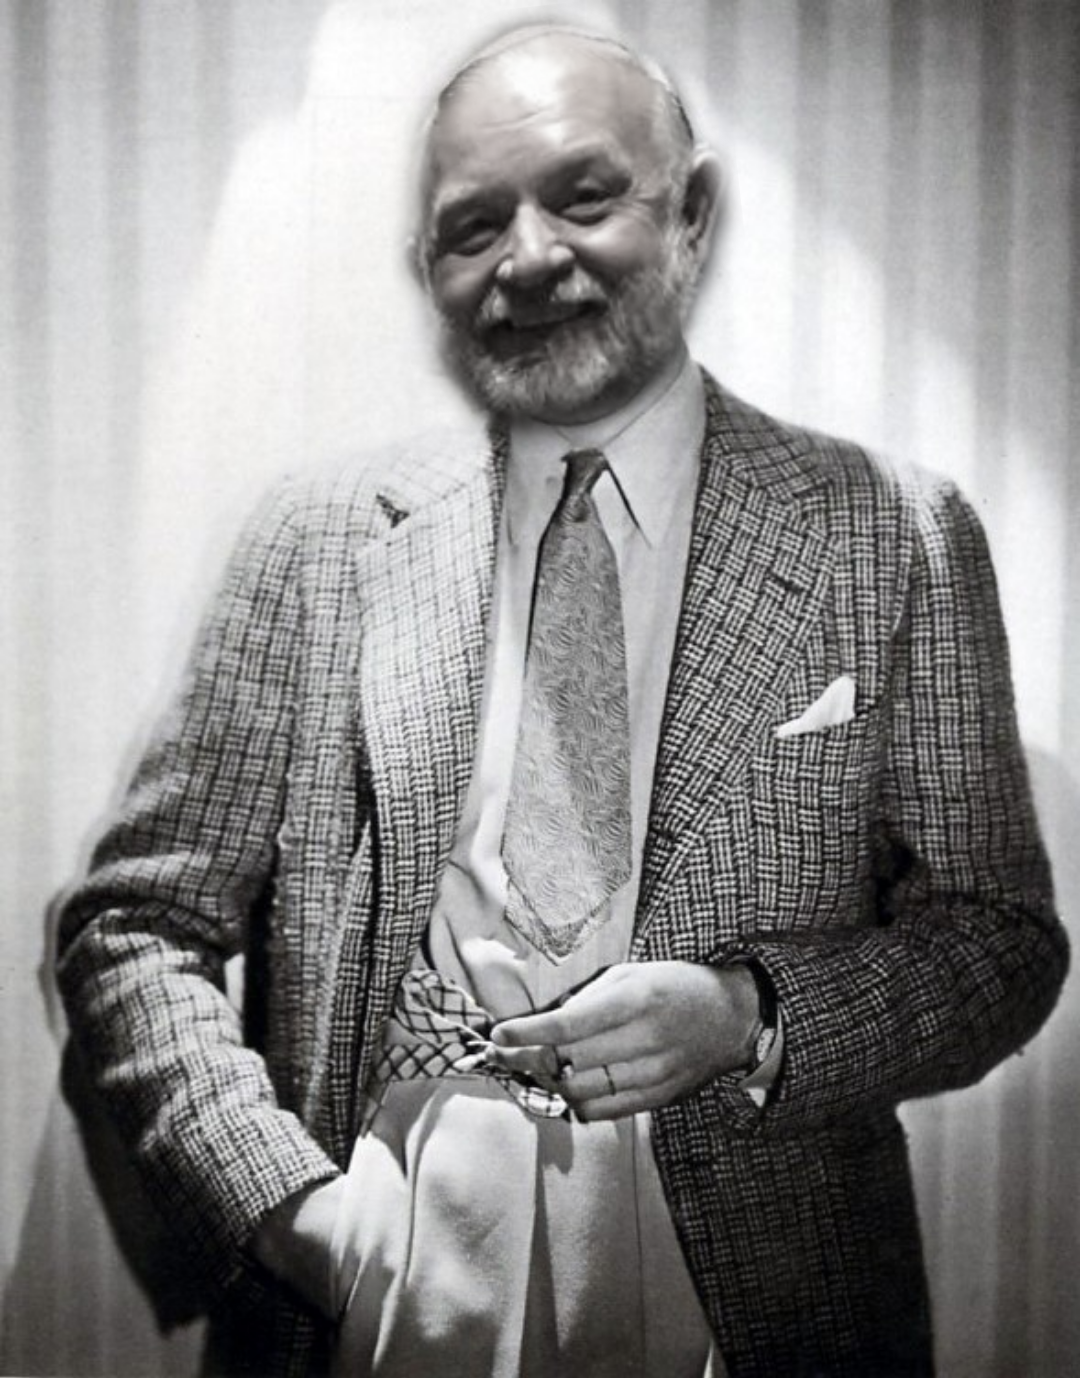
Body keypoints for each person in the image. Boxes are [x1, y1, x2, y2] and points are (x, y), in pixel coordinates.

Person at [56, 24, 1068, 1378]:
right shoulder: (316, 538)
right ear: (429, 271)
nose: (528, 258)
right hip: (378, 1264)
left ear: (692, 212)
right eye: (474, 227)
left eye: (584, 197)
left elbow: (999, 942)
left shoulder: (893, 531)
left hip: (766, 1284)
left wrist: (750, 1012)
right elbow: (136, 924)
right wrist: (293, 1216)